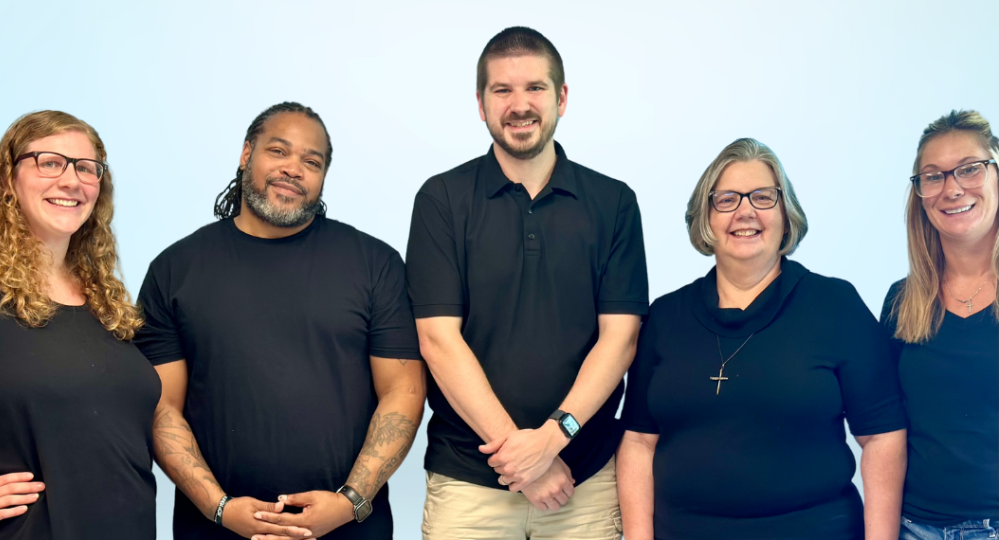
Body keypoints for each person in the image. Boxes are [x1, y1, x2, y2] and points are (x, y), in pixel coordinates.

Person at [134, 102, 425, 540]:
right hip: (215, 528)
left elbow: (403, 391)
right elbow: (161, 408)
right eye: (279, 152)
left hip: (347, 528)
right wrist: (221, 508)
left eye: (312, 161)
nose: (294, 169)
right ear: (246, 154)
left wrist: (350, 501)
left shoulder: (374, 264)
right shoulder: (175, 269)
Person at [406, 26, 647, 540]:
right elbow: (438, 341)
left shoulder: (613, 203)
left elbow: (621, 338)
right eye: (502, 91)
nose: (520, 105)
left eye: (535, 88)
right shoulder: (442, 200)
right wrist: (525, 457)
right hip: (469, 484)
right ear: (480, 103)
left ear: (561, 97)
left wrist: (553, 439)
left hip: (584, 480)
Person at [618, 137, 908, 540]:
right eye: (727, 199)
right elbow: (638, 441)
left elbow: (881, 436)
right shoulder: (665, 317)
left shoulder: (835, 305)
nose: (745, 211)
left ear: (786, 215)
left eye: (762, 197)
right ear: (705, 218)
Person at [0, 111, 159, 539]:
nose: (72, 180)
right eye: (50, 162)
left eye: (86, 168)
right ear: (7, 178)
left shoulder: (106, 303)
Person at [882, 110, 998, 540]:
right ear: (920, 194)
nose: (952, 189)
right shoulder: (901, 302)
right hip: (915, 529)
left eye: (970, 169)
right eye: (933, 176)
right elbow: (885, 434)